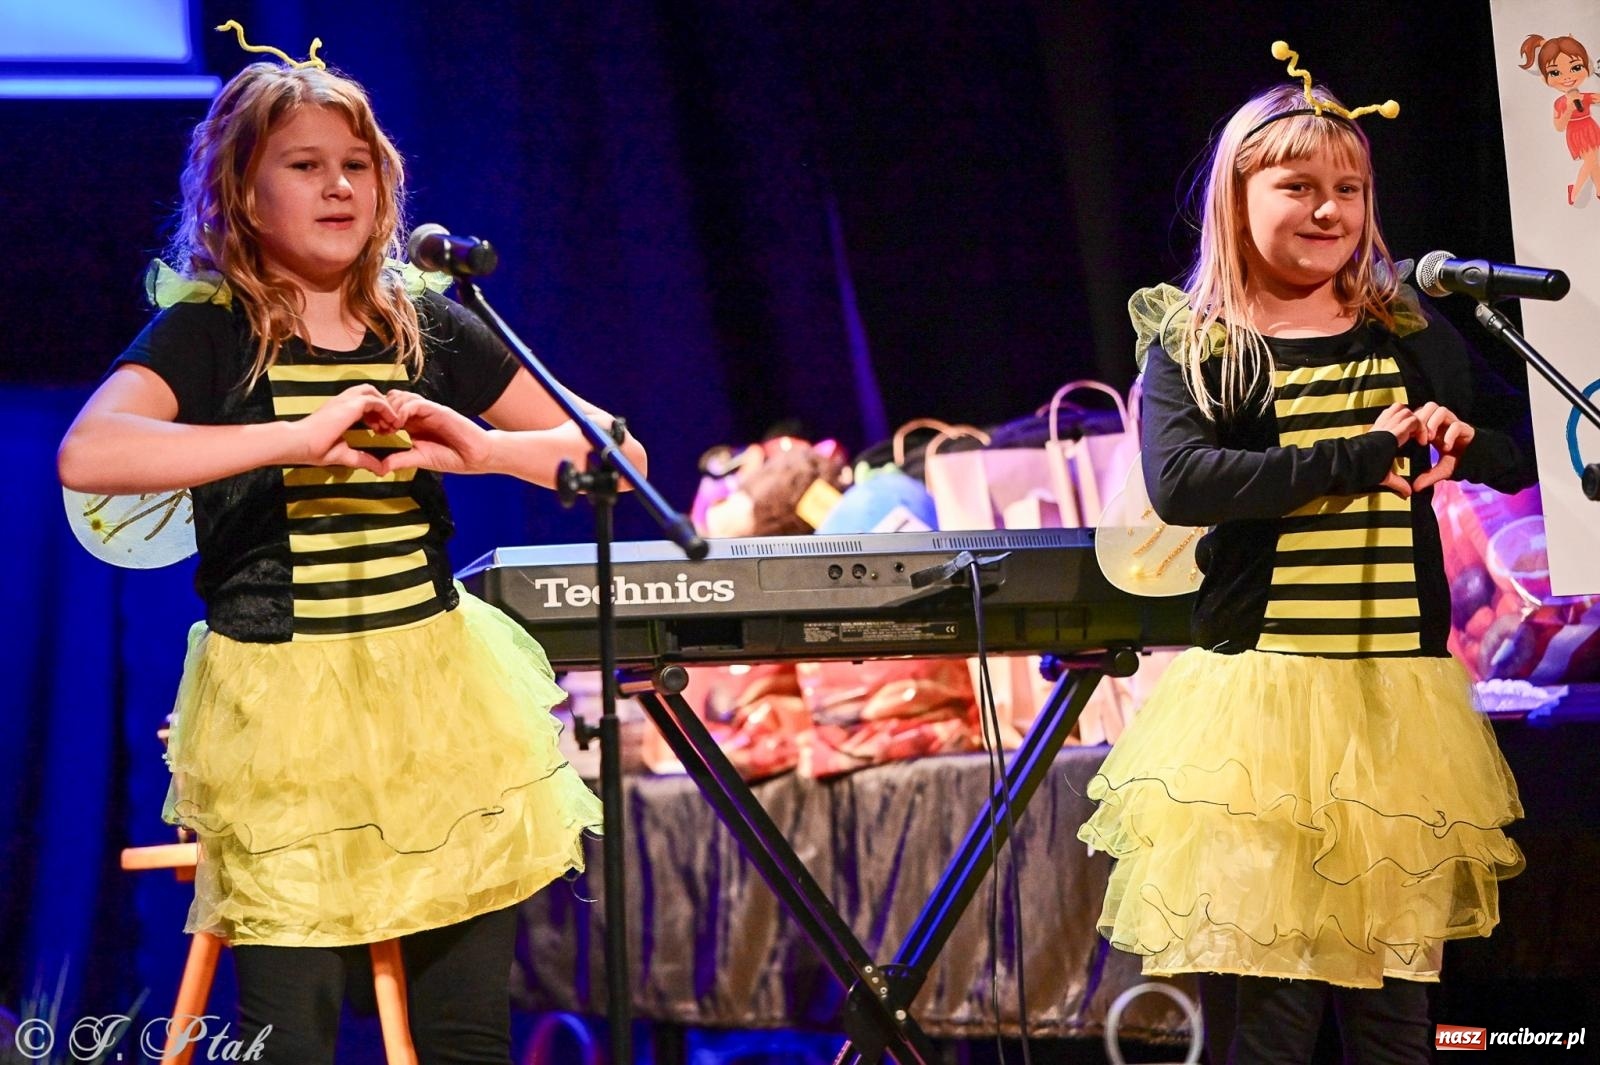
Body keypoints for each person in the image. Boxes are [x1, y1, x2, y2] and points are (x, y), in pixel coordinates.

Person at [56, 42, 641, 1065]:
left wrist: (485, 449)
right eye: (305, 164)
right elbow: (90, 454)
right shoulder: (213, 335)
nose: (338, 186)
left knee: (465, 1031)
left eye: (356, 165)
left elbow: (618, 456)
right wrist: (293, 437)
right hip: (286, 714)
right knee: (290, 1031)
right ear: (243, 194)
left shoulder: (425, 324)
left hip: (438, 701)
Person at [1077, 62, 1533, 1063]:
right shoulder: (1202, 341)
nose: (1328, 210)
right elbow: (1184, 482)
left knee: (1395, 1016)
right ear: (1236, 201)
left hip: (1396, 706)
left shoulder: (1404, 327)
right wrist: (1360, 455)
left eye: (1348, 189)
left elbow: (1518, 442)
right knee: (1271, 1016)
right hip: (1265, 713)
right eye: (1297, 187)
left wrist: (1467, 444)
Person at [1518, 33, 1600, 206]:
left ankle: (1598, 189)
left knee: (1593, 161)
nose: (1567, 77)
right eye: (1555, 72)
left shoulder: (1584, 96)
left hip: (1590, 128)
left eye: (1576, 68)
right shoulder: (1560, 103)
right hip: (1577, 133)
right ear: (1545, 78)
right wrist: (1569, 109)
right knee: (1591, 161)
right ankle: (1575, 191)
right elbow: (1559, 126)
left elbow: (1597, 98)